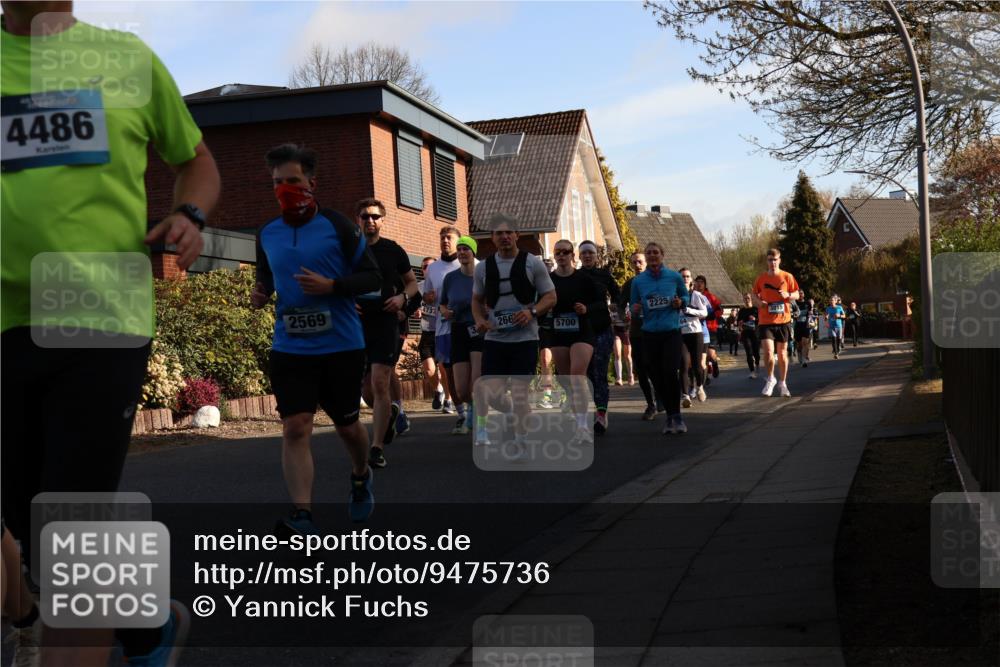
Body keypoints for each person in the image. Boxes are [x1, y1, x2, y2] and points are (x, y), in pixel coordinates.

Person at [1, 3, 220, 665]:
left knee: (70, 536)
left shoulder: (126, 59)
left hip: (98, 319)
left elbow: (199, 162)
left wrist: (189, 212)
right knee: (31, 528)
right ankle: (146, 622)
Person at [253, 144, 379, 533]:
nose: (285, 189)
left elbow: (372, 278)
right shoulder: (267, 233)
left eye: (292, 181)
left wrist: (333, 285)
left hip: (340, 344)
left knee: (347, 426)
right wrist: (260, 294)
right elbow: (267, 280)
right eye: (277, 182)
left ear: (311, 182)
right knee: (296, 426)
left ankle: (360, 474)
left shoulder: (338, 226)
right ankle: (302, 513)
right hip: (290, 347)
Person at [471, 215, 556, 449]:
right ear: (492, 238)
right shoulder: (483, 267)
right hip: (495, 339)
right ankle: (508, 412)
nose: (504, 237)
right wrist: (479, 319)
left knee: (520, 394)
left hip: (525, 338)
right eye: (499, 233)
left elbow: (550, 297)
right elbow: (476, 300)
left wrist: (532, 313)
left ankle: (521, 439)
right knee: (493, 394)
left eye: (509, 232)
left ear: (517, 235)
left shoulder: (532, 263)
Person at [355, 198, 419, 469]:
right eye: (365, 216)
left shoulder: (393, 250)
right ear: (358, 220)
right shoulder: (348, 251)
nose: (370, 221)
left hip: (384, 323)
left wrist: (403, 299)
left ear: (382, 220)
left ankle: (376, 447)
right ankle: (389, 415)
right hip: (355, 325)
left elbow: (413, 283)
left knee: (381, 382)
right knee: (367, 391)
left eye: (375, 217)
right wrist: (346, 302)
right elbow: (333, 284)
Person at [544, 240, 600, 444]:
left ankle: (583, 426)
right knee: (568, 380)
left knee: (577, 376)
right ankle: (578, 415)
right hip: (559, 332)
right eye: (557, 252)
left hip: (582, 332)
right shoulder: (548, 280)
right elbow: (541, 301)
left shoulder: (583, 279)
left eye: (565, 252)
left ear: (572, 255)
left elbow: (600, 302)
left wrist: (586, 309)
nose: (561, 256)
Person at [630, 242, 689, 434]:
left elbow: (685, 297)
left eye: (656, 252)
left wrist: (680, 302)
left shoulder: (673, 277)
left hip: (671, 331)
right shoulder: (638, 282)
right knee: (655, 375)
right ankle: (670, 414)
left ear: (662, 255)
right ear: (645, 257)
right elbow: (633, 305)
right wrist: (635, 309)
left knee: (670, 371)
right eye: (649, 253)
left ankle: (676, 416)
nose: (653, 256)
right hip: (649, 333)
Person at [439, 236, 482, 435]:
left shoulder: (483, 275)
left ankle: (479, 419)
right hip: (457, 330)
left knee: (476, 381)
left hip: (478, 329)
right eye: (460, 249)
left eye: (466, 249)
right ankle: (471, 406)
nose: (462, 252)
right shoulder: (451, 278)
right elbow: (443, 304)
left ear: (473, 252)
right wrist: (445, 312)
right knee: (462, 390)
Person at [578, 241, 619, 435]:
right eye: (583, 253)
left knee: (599, 373)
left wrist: (616, 307)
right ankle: (583, 414)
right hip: (579, 331)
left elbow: (618, 297)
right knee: (584, 375)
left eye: (590, 253)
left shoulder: (604, 275)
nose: (587, 256)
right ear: (579, 257)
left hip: (601, 328)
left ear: (596, 256)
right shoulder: (574, 276)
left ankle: (601, 414)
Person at [422, 227, 462, 415]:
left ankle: (472, 409)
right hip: (442, 328)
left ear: (458, 241)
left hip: (467, 326)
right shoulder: (433, 268)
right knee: (449, 372)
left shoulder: (471, 263)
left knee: (468, 371)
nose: (445, 241)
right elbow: (427, 296)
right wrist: (428, 298)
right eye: (442, 238)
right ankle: (460, 410)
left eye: (449, 237)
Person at [753, 248, 801, 397]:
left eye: (775, 260)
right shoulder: (761, 278)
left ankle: (783, 382)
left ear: (779, 260)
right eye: (769, 260)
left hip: (783, 320)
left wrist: (788, 295)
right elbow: (753, 296)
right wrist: (759, 302)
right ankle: (770, 378)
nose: (772, 263)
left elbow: (797, 294)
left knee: (782, 354)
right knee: (768, 352)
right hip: (766, 321)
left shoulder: (787, 276)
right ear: (766, 261)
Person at [620, 252, 659, 420]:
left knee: (655, 367)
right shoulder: (629, 284)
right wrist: (624, 316)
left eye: (640, 261)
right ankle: (650, 404)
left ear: (646, 262)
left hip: (656, 330)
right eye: (634, 262)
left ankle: (660, 396)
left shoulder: (656, 281)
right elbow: (620, 305)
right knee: (641, 369)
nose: (637, 264)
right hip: (637, 331)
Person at [678, 268, 709, 407]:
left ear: (691, 279)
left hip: (695, 333)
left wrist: (688, 310)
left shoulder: (695, 295)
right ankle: (685, 396)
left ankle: (700, 386)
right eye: (683, 276)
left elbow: (704, 313)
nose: (685, 278)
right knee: (683, 365)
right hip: (681, 334)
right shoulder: (674, 295)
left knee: (697, 365)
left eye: (688, 276)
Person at [695, 275, 723, 379]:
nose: (699, 284)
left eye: (701, 282)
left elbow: (720, 310)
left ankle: (714, 362)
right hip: (697, 329)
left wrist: (712, 315)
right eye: (697, 282)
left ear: (705, 284)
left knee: (710, 354)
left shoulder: (710, 297)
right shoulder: (692, 295)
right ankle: (704, 377)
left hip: (710, 329)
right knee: (701, 355)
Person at [736, 293, 760, 379]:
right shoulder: (741, 311)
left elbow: (761, 320)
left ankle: (757, 364)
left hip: (755, 333)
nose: (747, 300)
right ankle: (752, 371)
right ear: (743, 300)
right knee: (749, 352)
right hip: (745, 333)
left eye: (748, 298)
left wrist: (755, 319)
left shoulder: (756, 309)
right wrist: (740, 323)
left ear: (751, 299)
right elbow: (738, 323)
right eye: (745, 299)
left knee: (756, 353)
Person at [794, 297, 817, 368]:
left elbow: (811, 314)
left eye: (802, 293)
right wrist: (795, 315)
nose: (801, 295)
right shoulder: (794, 303)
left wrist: (812, 322)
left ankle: (804, 360)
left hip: (806, 326)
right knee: (799, 345)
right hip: (797, 325)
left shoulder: (807, 304)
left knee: (805, 342)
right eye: (799, 293)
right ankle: (800, 357)